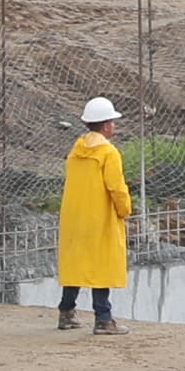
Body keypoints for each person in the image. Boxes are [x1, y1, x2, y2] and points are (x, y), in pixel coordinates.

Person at [55, 98, 131, 332]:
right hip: (100, 218)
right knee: (101, 266)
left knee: (76, 264)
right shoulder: (109, 153)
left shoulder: (76, 151)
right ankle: (103, 318)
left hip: (75, 217)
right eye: (112, 122)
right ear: (106, 125)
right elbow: (116, 186)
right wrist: (125, 208)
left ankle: (66, 312)